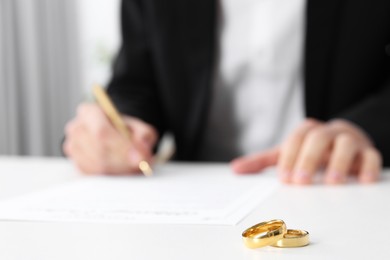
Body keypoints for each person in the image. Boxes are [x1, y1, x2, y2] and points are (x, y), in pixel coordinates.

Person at [63, 0, 390, 185]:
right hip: (194, 188)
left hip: (334, 182)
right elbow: (137, 82)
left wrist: (362, 127)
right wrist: (123, 126)